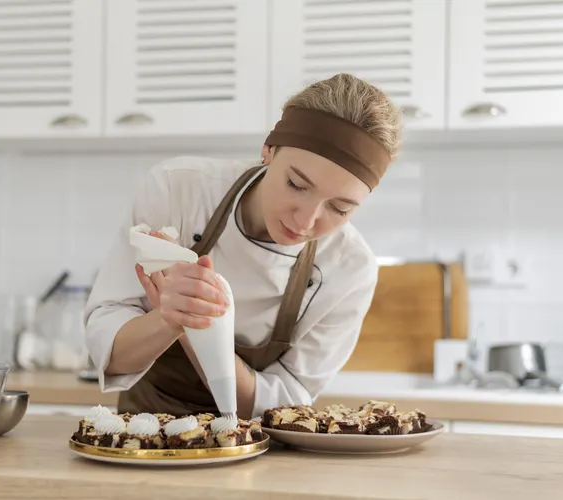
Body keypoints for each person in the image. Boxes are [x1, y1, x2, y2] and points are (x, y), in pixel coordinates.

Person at [83, 73, 403, 419]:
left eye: (340, 208)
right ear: (268, 150)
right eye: (296, 184)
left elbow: (286, 407)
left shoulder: (349, 268)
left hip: (261, 454)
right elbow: (108, 351)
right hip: (142, 436)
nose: (306, 220)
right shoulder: (179, 191)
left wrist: (196, 326)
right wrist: (168, 320)